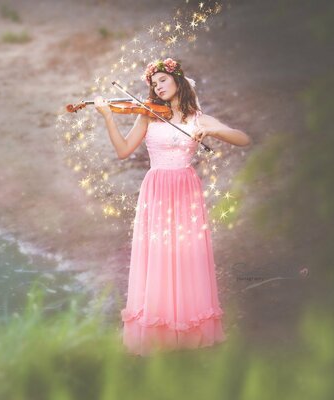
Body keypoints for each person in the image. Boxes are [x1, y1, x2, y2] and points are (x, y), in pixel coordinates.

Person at [94, 57, 251, 356]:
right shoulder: (148, 115)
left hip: (186, 190)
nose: (158, 87)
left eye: (162, 80)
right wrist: (107, 116)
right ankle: (160, 331)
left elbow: (243, 139)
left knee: (186, 256)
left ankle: (188, 330)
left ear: (178, 80)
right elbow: (123, 151)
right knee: (159, 257)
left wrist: (214, 132)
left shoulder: (198, 118)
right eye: (154, 84)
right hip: (156, 189)